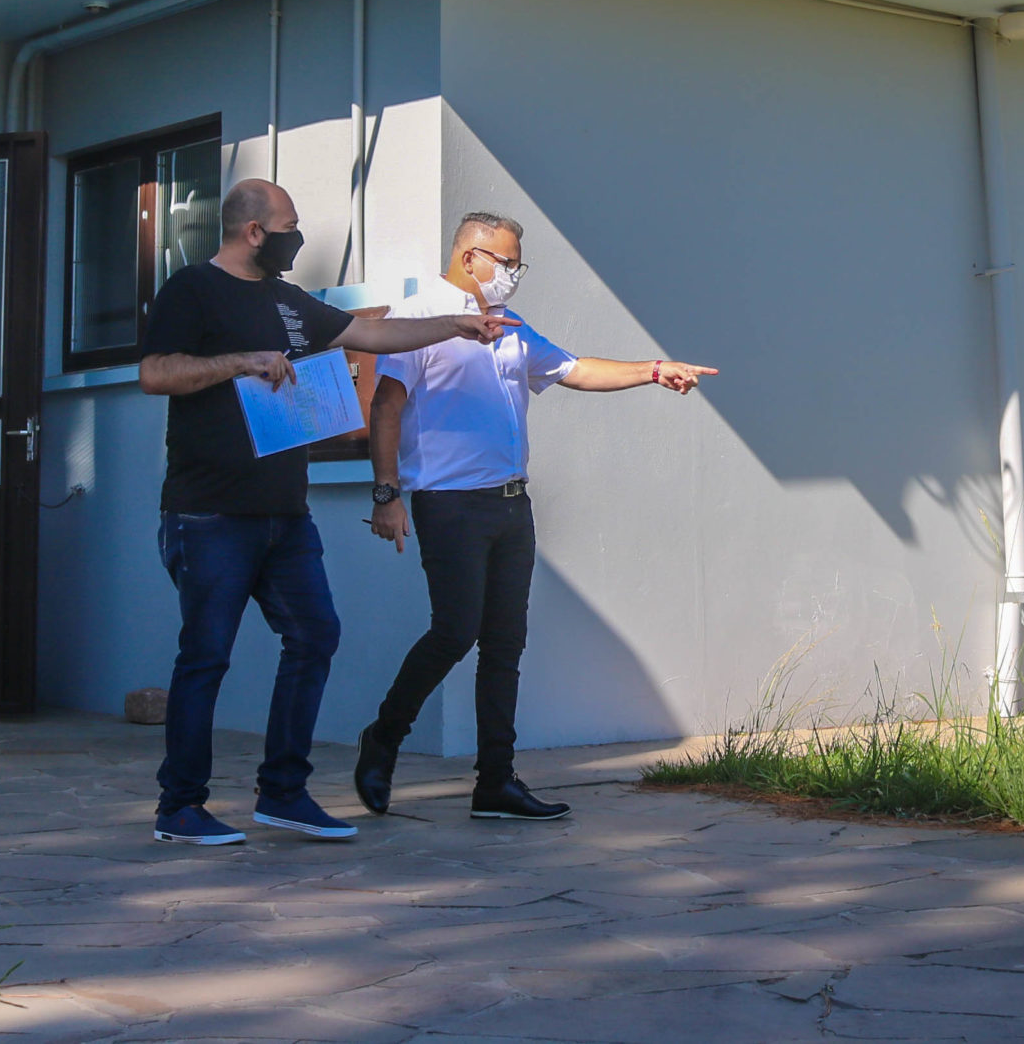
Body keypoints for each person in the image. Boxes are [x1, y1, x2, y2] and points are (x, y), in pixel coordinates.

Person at [139, 178, 507, 847]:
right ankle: (180, 805)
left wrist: (454, 323)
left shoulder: (288, 299)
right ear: (255, 231)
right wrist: (237, 362)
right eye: (289, 226)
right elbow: (156, 372)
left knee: (315, 635)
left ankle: (283, 791)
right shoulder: (191, 289)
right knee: (206, 656)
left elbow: (371, 331)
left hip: (285, 512)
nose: (296, 237)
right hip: (210, 514)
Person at [352, 212, 716, 821]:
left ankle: (496, 782)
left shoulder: (512, 327)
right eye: (506, 262)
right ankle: (383, 738)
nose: (513, 276)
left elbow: (575, 369)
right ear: (470, 258)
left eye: (518, 264)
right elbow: (387, 407)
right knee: (455, 631)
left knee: (504, 644)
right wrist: (386, 495)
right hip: (448, 504)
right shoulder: (419, 320)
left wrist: (653, 370)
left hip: (510, 506)